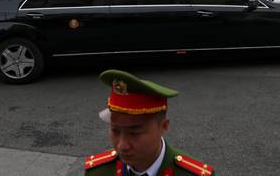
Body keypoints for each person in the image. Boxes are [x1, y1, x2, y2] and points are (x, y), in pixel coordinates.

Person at [82, 69, 215, 175]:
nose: (122, 145)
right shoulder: (98, 172)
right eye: (115, 130)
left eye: (134, 133)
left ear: (163, 127)